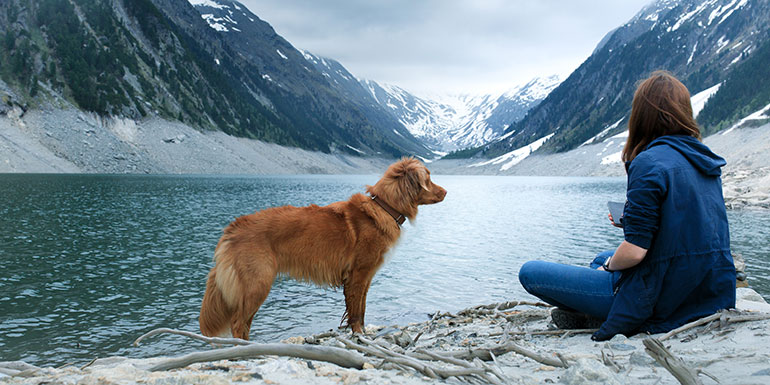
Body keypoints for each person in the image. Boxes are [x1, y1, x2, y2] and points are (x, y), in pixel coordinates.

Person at [518, 70, 736, 341]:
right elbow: (688, 223)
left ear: (642, 115)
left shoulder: (649, 162)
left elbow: (634, 253)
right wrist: (632, 222)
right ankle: (598, 300)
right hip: (705, 286)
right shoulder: (703, 158)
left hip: (662, 296)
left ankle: (606, 310)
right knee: (600, 258)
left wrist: (611, 266)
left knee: (531, 272)